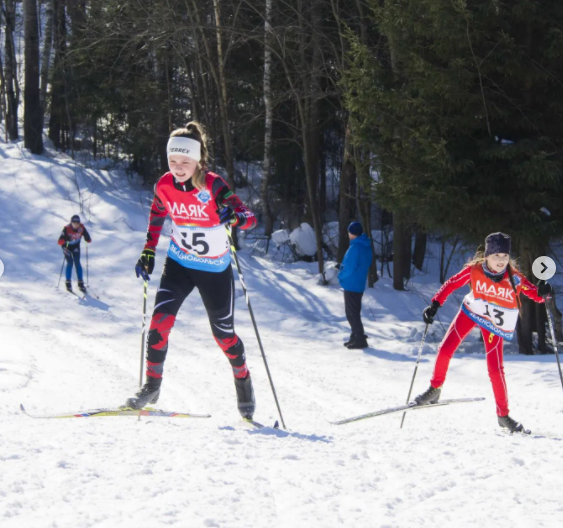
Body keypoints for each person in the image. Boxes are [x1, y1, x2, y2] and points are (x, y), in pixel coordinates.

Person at [126, 122, 257, 419]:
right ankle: (152, 386)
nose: (178, 168)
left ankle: (243, 381)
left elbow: (250, 219)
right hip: (180, 263)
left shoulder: (212, 184)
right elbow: (158, 212)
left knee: (224, 336)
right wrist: (148, 250)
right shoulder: (164, 185)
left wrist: (234, 216)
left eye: (185, 161)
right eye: (173, 161)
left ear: (198, 160)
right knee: (159, 323)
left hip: (214, 269)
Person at [415, 232, 552, 433]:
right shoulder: (474, 270)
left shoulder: (514, 278)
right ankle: (435, 389)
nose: (501, 260)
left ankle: (503, 416)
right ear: (487, 256)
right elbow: (452, 283)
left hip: (494, 323)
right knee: (445, 349)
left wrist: (544, 292)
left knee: (495, 370)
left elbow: (536, 295)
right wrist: (435, 304)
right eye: (496, 256)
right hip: (471, 312)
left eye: (505, 256)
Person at [338, 222, 373, 349]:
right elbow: (366, 263)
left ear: (351, 233)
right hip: (359, 283)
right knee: (354, 312)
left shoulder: (355, 247)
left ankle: (360, 338)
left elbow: (349, 267)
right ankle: (355, 336)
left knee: (351, 314)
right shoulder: (366, 246)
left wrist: (340, 275)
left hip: (351, 284)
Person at [57, 214, 92, 293]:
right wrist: (65, 240)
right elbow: (59, 241)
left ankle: (80, 283)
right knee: (70, 263)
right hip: (66, 247)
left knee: (77, 263)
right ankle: (68, 283)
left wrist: (87, 239)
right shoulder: (66, 229)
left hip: (76, 247)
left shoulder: (81, 227)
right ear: (71, 223)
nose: (76, 225)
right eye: (74, 223)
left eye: (77, 223)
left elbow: (88, 238)